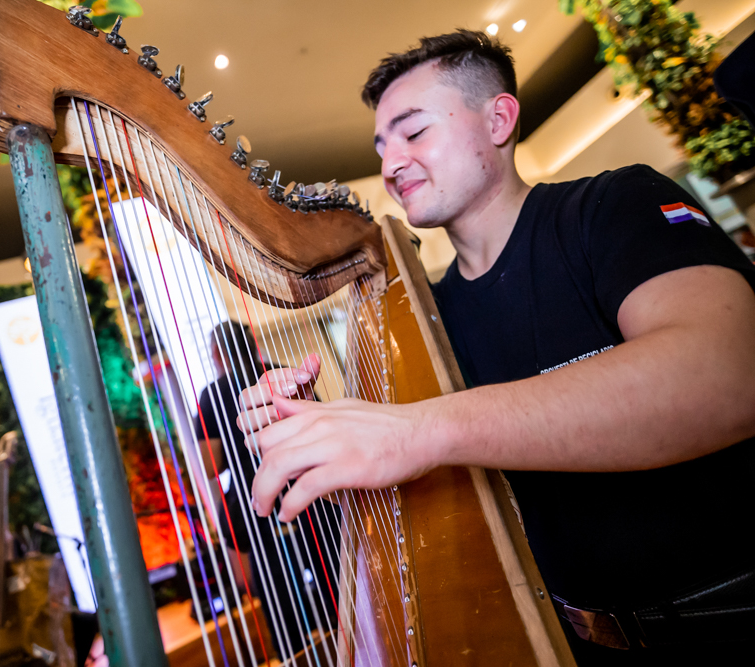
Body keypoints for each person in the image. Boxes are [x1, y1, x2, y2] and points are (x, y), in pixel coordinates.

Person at [237, 31, 755, 665]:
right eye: (381, 146)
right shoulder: (429, 321)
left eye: (414, 132)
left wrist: (419, 431)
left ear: (500, 119)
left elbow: (727, 376)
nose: (391, 164)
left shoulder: (611, 204)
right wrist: (315, 428)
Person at [196, 320, 340, 660]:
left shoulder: (212, 394)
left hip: (258, 505)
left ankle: (297, 654)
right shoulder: (285, 374)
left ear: (217, 354)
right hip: (313, 494)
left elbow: (210, 467)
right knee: (333, 575)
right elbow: (320, 425)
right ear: (253, 341)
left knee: (277, 591)